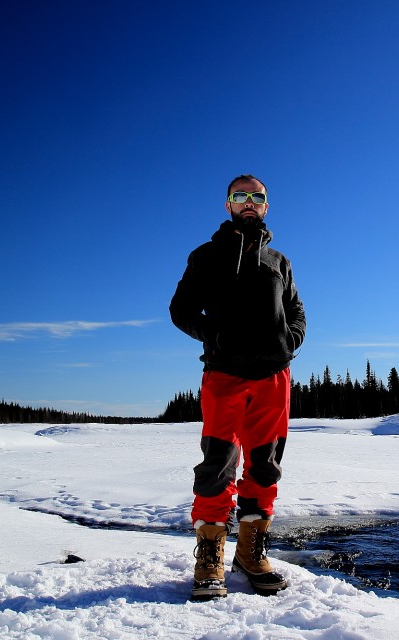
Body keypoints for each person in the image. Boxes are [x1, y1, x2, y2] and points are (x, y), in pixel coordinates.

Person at [170, 174, 306, 600]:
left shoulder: (279, 262)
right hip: (224, 375)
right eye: (240, 196)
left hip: (272, 378)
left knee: (265, 466)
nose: (249, 202)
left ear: (267, 206)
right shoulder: (206, 256)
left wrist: (289, 342)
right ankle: (209, 558)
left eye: (257, 197)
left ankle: (251, 554)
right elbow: (181, 309)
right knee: (218, 465)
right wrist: (213, 336)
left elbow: (297, 312)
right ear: (228, 204)